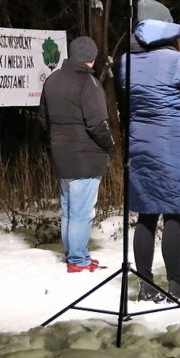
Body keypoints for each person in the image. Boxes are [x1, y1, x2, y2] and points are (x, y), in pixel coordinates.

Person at [119, 0, 180, 302]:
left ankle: (145, 284)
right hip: (174, 147)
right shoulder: (177, 61)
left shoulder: (125, 62)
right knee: (174, 215)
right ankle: (176, 284)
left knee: (146, 216)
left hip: (140, 147)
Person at [39, 35, 114, 273]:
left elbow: (43, 119)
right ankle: (78, 260)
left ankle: (73, 254)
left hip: (62, 156)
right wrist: (109, 144)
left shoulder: (52, 80)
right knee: (82, 212)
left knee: (69, 209)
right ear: (91, 58)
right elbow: (97, 124)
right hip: (86, 158)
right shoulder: (88, 83)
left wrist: (56, 142)